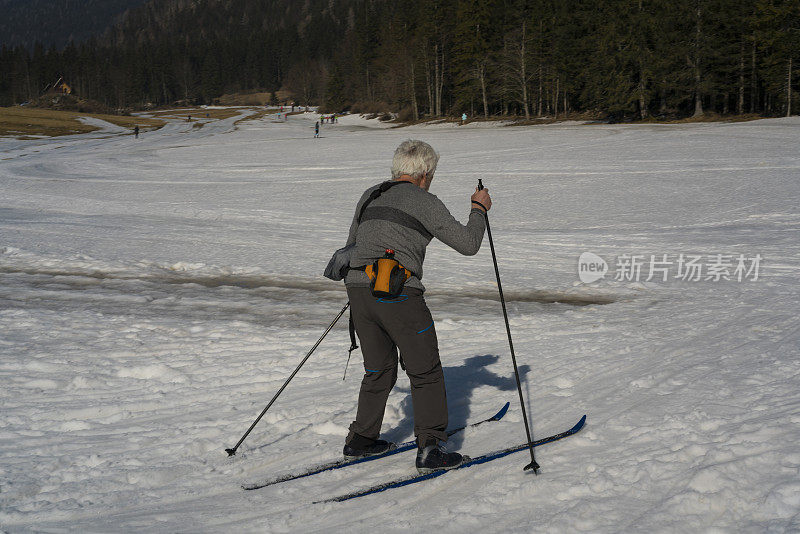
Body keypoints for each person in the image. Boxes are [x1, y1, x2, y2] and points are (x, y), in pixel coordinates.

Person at [331, 139, 492, 473]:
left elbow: (352, 244)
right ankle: (431, 448)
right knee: (425, 370)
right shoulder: (425, 200)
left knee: (379, 368)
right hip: (398, 291)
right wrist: (479, 209)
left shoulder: (371, 194)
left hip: (359, 289)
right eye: (431, 174)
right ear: (424, 173)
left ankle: (361, 440)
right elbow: (468, 244)